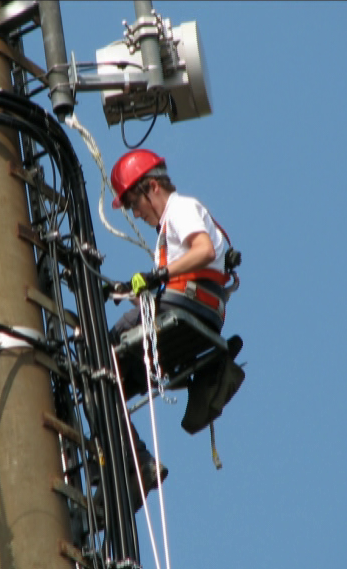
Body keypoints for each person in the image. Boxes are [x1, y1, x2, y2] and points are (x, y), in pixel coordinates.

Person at [105, 148, 243, 508]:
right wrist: (126, 291)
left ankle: (136, 461)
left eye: (134, 203)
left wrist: (159, 276)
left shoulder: (181, 209)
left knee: (97, 355)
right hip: (195, 307)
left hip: (190, 304)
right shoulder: (168, 227)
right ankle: (136, 463)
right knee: (106, 387)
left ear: (152, 187)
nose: (136, 213)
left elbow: (201, 250)